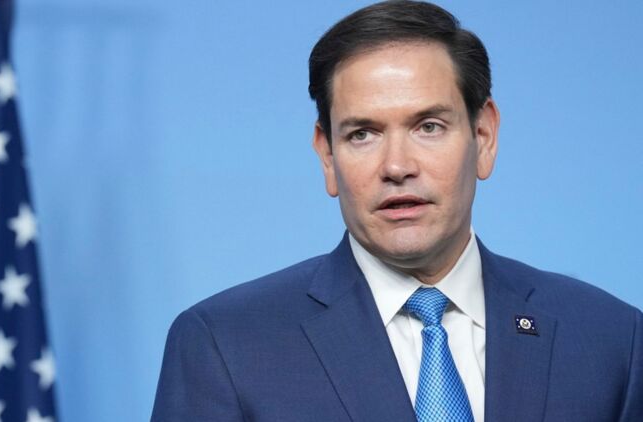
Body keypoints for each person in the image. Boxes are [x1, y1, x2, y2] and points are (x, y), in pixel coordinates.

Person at [151, 1, 643, 421]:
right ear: (327, 156)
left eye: (428, 126)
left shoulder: (611, 341)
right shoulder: (225, 345)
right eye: (362, 134)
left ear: (484, 137)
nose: (396, 166)